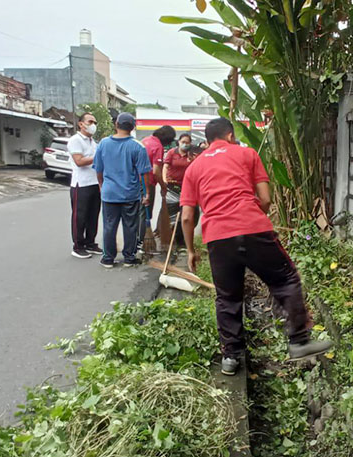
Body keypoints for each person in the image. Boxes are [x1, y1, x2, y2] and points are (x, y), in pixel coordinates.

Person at [180, 118, 333, 376]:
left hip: (217, 237)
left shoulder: (194, 168)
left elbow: (186, 217)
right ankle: (298, 341)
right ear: (230, 135)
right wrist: (249, 214)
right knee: (285, 279)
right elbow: (266, 199)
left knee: (227, 297)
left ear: (207, 141)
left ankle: (231, 357)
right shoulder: (247, 153)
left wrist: (191, 251)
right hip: (253, 229)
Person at [93, 113, 152, 269]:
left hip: (109, 193)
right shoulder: (137, 146)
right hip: (129, 194)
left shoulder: (103, 144)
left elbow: (98, 170)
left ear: (116, 124)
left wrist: (102, 186)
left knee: (109, 226)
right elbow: (144, 174)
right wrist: (147, 194)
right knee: (130, 226)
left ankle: (108, 258)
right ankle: (129, 257)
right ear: (132, 127)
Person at [67, 112, 102, 259]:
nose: (93, 125)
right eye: (90, 121)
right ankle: (78, 245)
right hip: (80, 184)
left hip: (94, 183)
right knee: (79, 216)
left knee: (93, 216)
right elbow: (79, 161)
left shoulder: (94, 142)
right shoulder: (75, 140)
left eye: (94, 122)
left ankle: (90, 243)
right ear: (81, 124)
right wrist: (98, 157)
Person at [138, 125, 176, 250]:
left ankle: (138, 238)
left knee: (139, 211)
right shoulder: (157, 146)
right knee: (145, 212)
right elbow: (156, 171)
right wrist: (163, 185)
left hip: (136, 180)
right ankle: (142, 239)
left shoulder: (145, 140)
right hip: (148, 182)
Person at [163, 133, 198, 247]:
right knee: (173, 215)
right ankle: (175, 240)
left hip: (187, 187)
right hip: (172, 187)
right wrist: (164, 181)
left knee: (189, 214)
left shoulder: (191, 154)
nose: (185, 144)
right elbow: (165, 167)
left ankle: (184, 239)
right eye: (183, 142)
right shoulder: (172, 153)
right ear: (178, 142)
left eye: (187, 142)